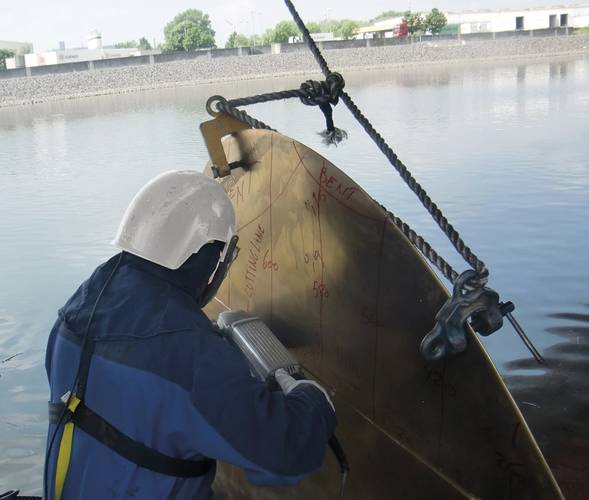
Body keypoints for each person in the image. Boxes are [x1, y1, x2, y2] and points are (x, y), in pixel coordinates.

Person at [44, 170, 336, 500]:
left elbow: (139, 388)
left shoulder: (74, 313)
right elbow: (284, 455)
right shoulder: (194, 358)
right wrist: (313, 399)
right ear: (209, 257)